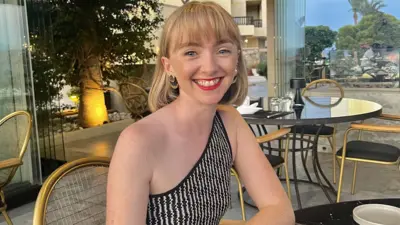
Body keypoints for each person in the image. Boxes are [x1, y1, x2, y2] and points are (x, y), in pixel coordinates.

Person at [106, 1, 294, 225]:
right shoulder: (137, 142)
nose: (209, 66)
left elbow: (279, 209)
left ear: (236, 63)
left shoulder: (229, 123)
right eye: (191, 52)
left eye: (223, 50)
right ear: (169, 67)